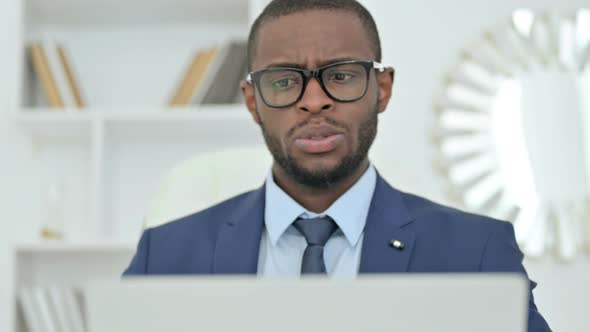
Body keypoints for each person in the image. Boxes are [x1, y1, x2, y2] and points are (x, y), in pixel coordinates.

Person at [124, 0, 550, 330]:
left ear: (381, 89)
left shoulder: (476, 253)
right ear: (253, 101)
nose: (313, 101)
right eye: (284, 81)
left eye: (342, 75)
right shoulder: (163, 258)